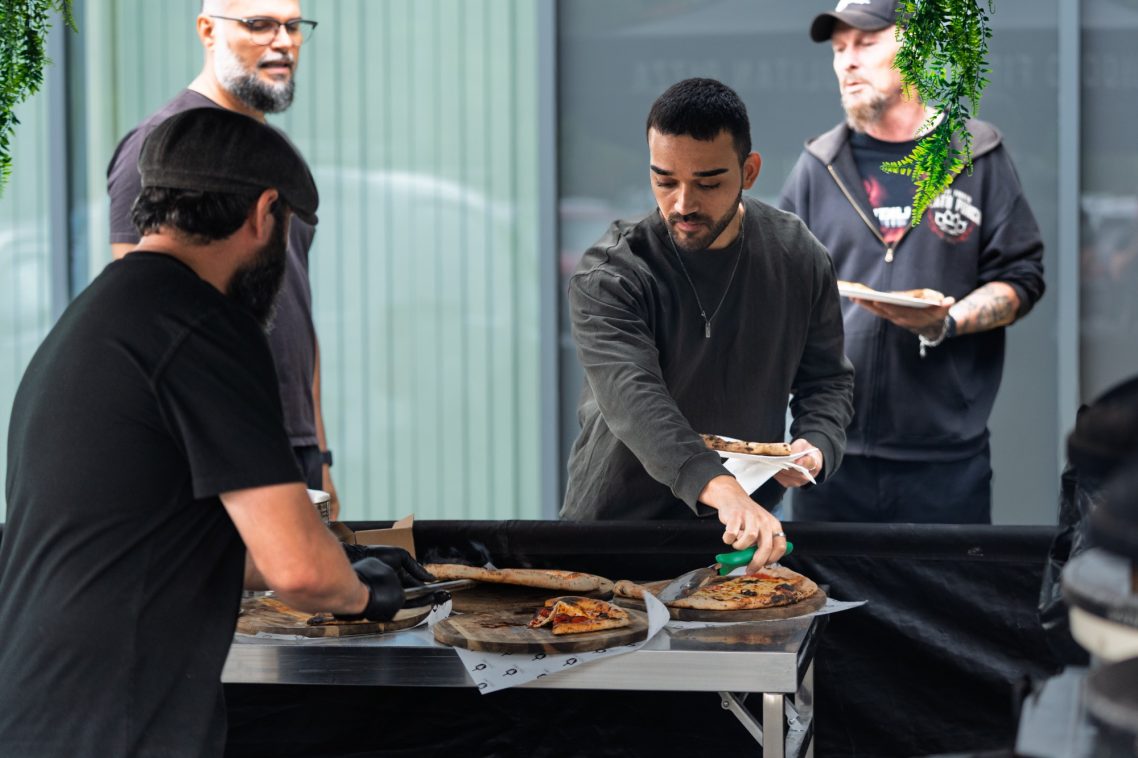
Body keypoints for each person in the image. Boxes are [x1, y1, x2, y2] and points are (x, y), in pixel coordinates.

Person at [0, 108, 438, 757]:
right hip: (119, 725)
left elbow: (154, 543)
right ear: (264, 214)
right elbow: (300, 572)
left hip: (39, 712)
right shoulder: (204, 327)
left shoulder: (94, 319)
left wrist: (337, 561)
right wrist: (366, 591)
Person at [561, 78, 855, 568]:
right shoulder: (609, 273)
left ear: (750, 170)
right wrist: (723, 488)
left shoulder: (798, 255)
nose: (682, 204)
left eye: (708, 182)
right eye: (665, 180)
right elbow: (636, 401)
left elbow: (827, 379)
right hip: (613, 533)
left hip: (741, 539)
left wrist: (817, 444)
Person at [778, 0, 1046, 523]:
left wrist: (947, 322)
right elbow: (773, 292)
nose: (847, 62)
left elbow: (1022, 277)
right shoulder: (816, 167)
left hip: (945, 461)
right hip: (827, 456)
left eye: (866, 42)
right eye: (838, 49)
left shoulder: (977, 156)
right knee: (827, 605)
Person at [106, 0, 344, 517]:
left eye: (292, 25)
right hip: (216, 449)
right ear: (207, 30)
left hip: (290, 441)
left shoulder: (275, 152)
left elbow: (297, 310)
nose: (283, 41)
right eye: (259, 24)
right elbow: (139, 316)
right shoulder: (161, 147)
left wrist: (318, 452)